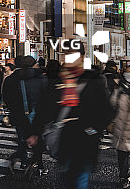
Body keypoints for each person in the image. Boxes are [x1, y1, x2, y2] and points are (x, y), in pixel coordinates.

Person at [29, 44, 114, 189]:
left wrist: (93, 130)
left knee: (80, 177)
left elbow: (105, 110)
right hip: (63, 138)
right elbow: (44, 108)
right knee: (66, 177)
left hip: (85, 140)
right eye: (66, 54)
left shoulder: (93, 79)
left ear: (81, 57)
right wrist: (35, 132)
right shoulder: (57, 79)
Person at [1, 55, 46, 173]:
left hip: (18, 114)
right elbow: (45, 96)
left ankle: (22, 160)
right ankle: (37, 164)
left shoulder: (11, 79)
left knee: (23, 137)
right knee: (37, 139)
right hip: (36, 113)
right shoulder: (39, 77)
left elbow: (6, 97)